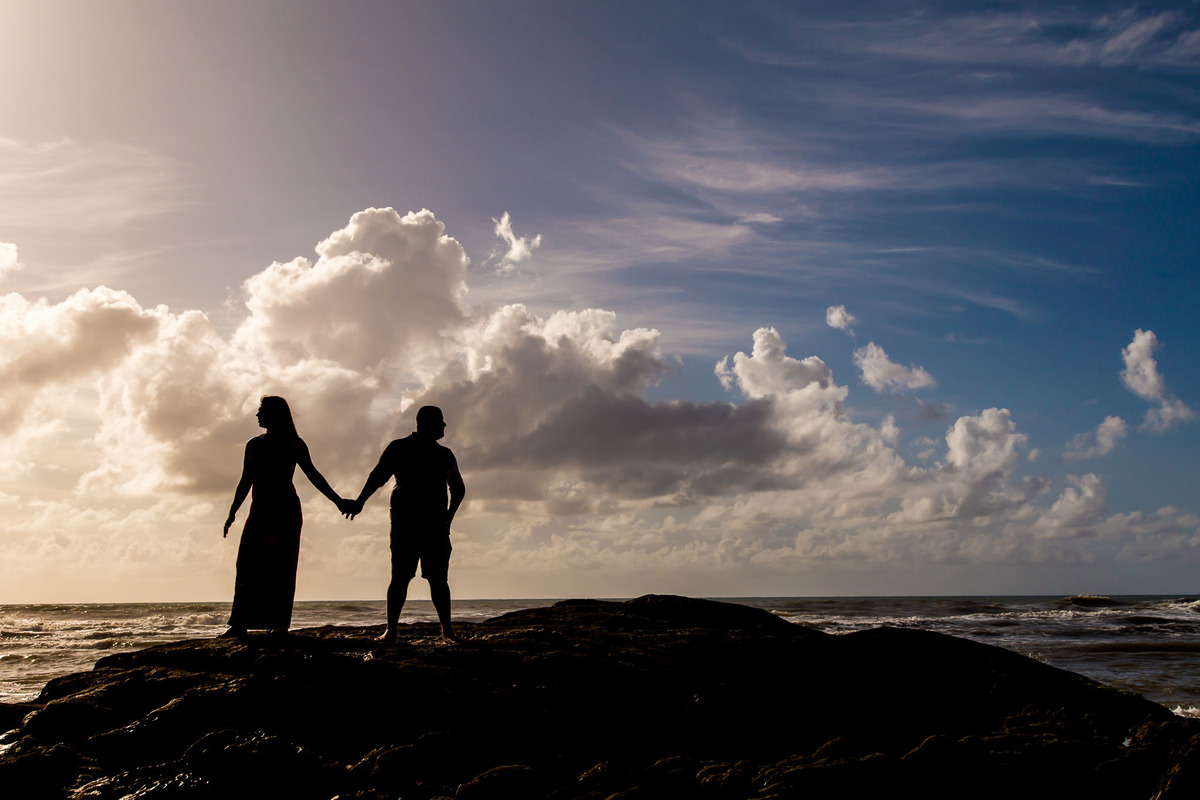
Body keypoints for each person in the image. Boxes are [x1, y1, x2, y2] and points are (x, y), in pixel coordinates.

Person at [222, 396, 352, 638]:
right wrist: (233, 511)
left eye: (261, 411)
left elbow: (314, 475)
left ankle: (279, 624)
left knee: (281, 566)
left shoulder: (294, 443)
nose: (257, 415)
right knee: (247, 565)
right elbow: (245, 480)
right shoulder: (253, 444)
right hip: (259, 510)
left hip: (285, 511)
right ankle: (239, 624)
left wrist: (338, 501)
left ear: (275, 414)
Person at [345, 405, 465, 642]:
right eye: (440, 421)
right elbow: (378, 476)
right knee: (402, 576)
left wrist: (449, 516)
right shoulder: (400, 448)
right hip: (406, 522)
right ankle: (393, 630)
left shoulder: (444, 454)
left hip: (432, 524)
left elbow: (458, 488)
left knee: (436, 579)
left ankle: (446, 631)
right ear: (426, 423)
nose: (444, 426)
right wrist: (360, 501)